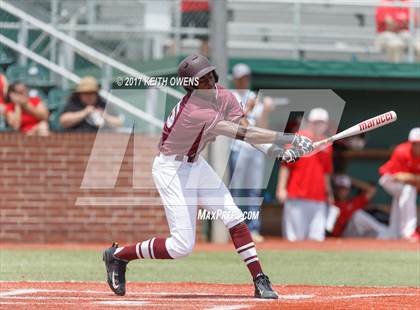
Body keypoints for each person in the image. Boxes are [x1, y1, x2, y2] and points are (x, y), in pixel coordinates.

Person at [102, 54, 315, 299]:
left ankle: (259, 279)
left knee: (234, 216)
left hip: (196, 164)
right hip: (171, 170)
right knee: (181, 246)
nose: (209, 81)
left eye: (210, 75)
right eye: (201, 79)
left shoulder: (223, 95)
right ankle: (119, 255)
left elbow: (244, 127)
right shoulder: (194, 111)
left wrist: (274, 151)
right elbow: (242, 133)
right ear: (191, 85)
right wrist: (290, 139)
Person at [229, 63, 274, 242]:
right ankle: (236, 229)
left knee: (254, 191)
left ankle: (253, 229)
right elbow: (233, 121)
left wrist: (266, 110)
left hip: (255, 148)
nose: (245, 81)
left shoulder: (254, 96)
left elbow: (262, 126)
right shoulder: (230, 97)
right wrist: (247, 108)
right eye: (241, 78)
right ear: (235, 79)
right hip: (238, 148)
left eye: (247, 77)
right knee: (237, 190)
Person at [276, 108, 333, 242]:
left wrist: (329, 192)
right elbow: (285, 167)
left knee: (317, 239)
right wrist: (281, 188)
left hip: (319, 198)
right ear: (309, 123)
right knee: (295, 239)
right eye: (316, 122)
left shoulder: (327, 144)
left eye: (322, 123)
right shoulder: (296, 139)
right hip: (297, 196)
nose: (319, 126)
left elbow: (326, 171)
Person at [379, 127, 420, 241]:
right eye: (415, 144)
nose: (418, 147)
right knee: (408, 190)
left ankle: (393, 233)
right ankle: (409, 232)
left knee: (402, 196)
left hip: (406, 183)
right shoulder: (402, 150)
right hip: (388, 178)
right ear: (410, 143)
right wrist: (415, 179)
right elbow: (398, 176)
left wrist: (413, 179)